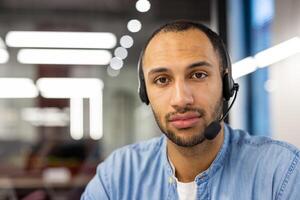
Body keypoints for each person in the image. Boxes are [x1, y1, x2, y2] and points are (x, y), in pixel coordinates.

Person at [81, 20, 300, 200]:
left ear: (226, 84)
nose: (181, 99)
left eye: (198, 75)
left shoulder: (282, 172)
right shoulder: (117, 176)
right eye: (162, 79)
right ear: (144, 93)